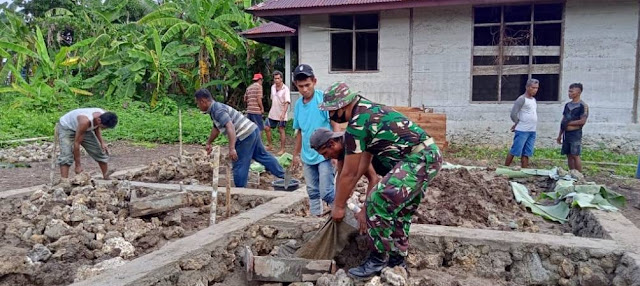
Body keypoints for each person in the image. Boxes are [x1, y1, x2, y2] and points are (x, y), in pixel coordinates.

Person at [319, 82, 442, 279]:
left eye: (331, 111)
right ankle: (396, 261)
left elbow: (349, 174)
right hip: (428, 156)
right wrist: (346, 199)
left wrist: (339, 206)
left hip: (417, 158)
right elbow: (361, 166)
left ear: (341, 107)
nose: (331, 116)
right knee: (399, 211)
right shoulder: (368, 110)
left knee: (378, 199)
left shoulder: (357, 123)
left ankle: (377, 259)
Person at [195, 88, 285, 187]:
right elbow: (216, 129)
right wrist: (209, 142)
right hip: (252, 130)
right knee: (262, 156)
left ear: (203, 101)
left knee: (239, 164)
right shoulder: (215, 109)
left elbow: (230, 126)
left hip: (244, 135)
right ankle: (285, 176)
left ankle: (240, 190)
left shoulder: (217, 110)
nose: (197, 106)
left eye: (198, 103)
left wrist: (232, 148)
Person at [310, 127, 379, 234]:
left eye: (325, 153)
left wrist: (365, 212)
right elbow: (341, 177)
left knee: (381, 213)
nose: (326, 157)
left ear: (332, 143)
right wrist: (337, 204)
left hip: (401, 165)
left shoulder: (353, 144)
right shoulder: (342, 149)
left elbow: (373, 179)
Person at [291, 64, 336, 216]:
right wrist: (296, 155)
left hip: (325, 154)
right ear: (296, 85)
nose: (304, 89)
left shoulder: (322, 99)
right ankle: (315, 219)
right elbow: (300, 132)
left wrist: (338, 151)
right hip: (307, 155)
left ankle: (341, 214)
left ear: (314, 81)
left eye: (307, 85)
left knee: (327, 191)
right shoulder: (298, 105)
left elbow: (335, 124)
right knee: (312, 191)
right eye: (300, 86)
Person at [56, 108, 118, 179]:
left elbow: (96, 127)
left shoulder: (104, 115)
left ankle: (106, 176)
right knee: (66, 155)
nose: (105, 129)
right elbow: (76, 144)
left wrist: (102, 143)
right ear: (99, 120)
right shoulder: (85, 121)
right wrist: (78, 166)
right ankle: (64, 181)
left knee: (98, 151)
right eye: (104, 127)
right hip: (67, 128)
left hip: (85, 128)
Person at [505, 78, 539, 168]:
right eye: (533, 87)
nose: (535, 90)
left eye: (536, 88)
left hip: (532, 130)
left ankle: (525, 170)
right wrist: (517, 123)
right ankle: (505, 168)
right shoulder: (522, 99)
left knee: (527, 152)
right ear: (527, 87)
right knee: (515, 150)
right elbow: (513, 114)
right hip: (522, 130)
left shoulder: (533, 100)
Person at [557, 83, 589, 172]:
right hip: (566, 134)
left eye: (571, 91)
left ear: (578, 92)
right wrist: (560, 135)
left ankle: (579, 175)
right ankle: (572, 173)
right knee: (569, 155)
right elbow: (563, 121)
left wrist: (569, 123)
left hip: (575, 134)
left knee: (575, 154)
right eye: (569, 91)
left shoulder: (583, 106)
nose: (569, 93)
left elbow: (582, 121)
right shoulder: (567, 105)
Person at [264, 71, 290, 155]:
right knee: (266, 127)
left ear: (281, 79)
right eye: (275, 78)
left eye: (278, 78)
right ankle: (270, 145)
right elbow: (273, 99)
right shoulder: (272, 87)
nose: (277, 80)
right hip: (273, 112)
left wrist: (283, 113)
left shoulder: (285, 89)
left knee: (281, 129)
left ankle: (282, 149)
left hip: (282, 113)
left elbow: (287, 102)